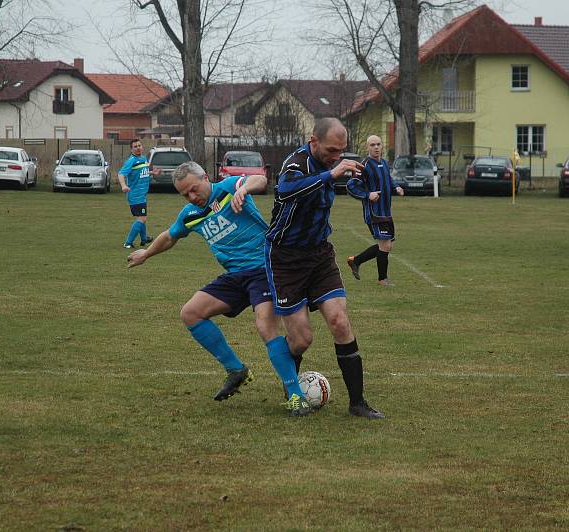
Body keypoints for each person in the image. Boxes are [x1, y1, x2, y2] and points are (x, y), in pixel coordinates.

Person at [127, 161, 312, 416]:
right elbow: (170, 236)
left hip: (263, 269)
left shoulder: (227, 188)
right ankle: (236, 369)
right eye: (185, 194)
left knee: (265, 327)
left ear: (205, 178)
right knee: (190, 313)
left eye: (194, 189)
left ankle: (295, 396)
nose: (192, 197)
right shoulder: (190, 214)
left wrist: (243, 190)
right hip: (235, 276)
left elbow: (258, 179)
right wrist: (146, 254)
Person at [264, 117, 385, 419]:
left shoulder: (334, 165)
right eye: (332, 150)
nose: (337, 156)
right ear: (314, 141)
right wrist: (331, 174)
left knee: (340, 322)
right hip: (286, 259)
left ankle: (357, 404)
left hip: (319, 255)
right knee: (302, 339)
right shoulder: (296, 163)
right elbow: (285, 191)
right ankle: (293, 392)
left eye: (341, 151)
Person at [346, 135, 404, 286]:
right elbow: (351, 186)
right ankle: (382, 279)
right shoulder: (363, 166)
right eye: (372, 145)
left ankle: (356, 260)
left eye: (378, 144)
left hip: (386, 211)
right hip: (374, 213)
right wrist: (367, 195)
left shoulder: (384, 163)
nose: (376, 147)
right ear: (367, 147)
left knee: (387, 245)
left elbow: (388, 179)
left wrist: (396, 187)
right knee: (385, 245)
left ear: (382, 146)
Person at [118, 139, 159, 249]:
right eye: (135, 146)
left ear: (142, 147)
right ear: (131, 149)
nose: (138, 148)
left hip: (142, 195)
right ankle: (128, 243)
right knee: (142, 219)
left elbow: (141, 172)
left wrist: (151, 172)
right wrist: (123, 186)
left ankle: (144, 239)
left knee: (142, 217)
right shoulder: (131, 161)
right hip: (135, 195)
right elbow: (121, 174)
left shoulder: (143, 158)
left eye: (139, 145)